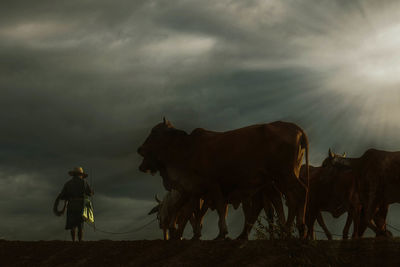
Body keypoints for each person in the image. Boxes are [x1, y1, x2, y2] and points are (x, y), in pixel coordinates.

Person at [57, 167, 94, 241]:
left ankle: (73, 241)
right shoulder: (84, 182)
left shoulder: (68, 183)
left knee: (72, 225)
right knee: (80, 225)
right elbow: (89, 193)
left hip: (71, 206)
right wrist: (92, 192)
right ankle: (80, 242)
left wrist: (68, 197)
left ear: (73, 175)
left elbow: (62, 196)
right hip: (80, 206)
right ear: (81, 174)